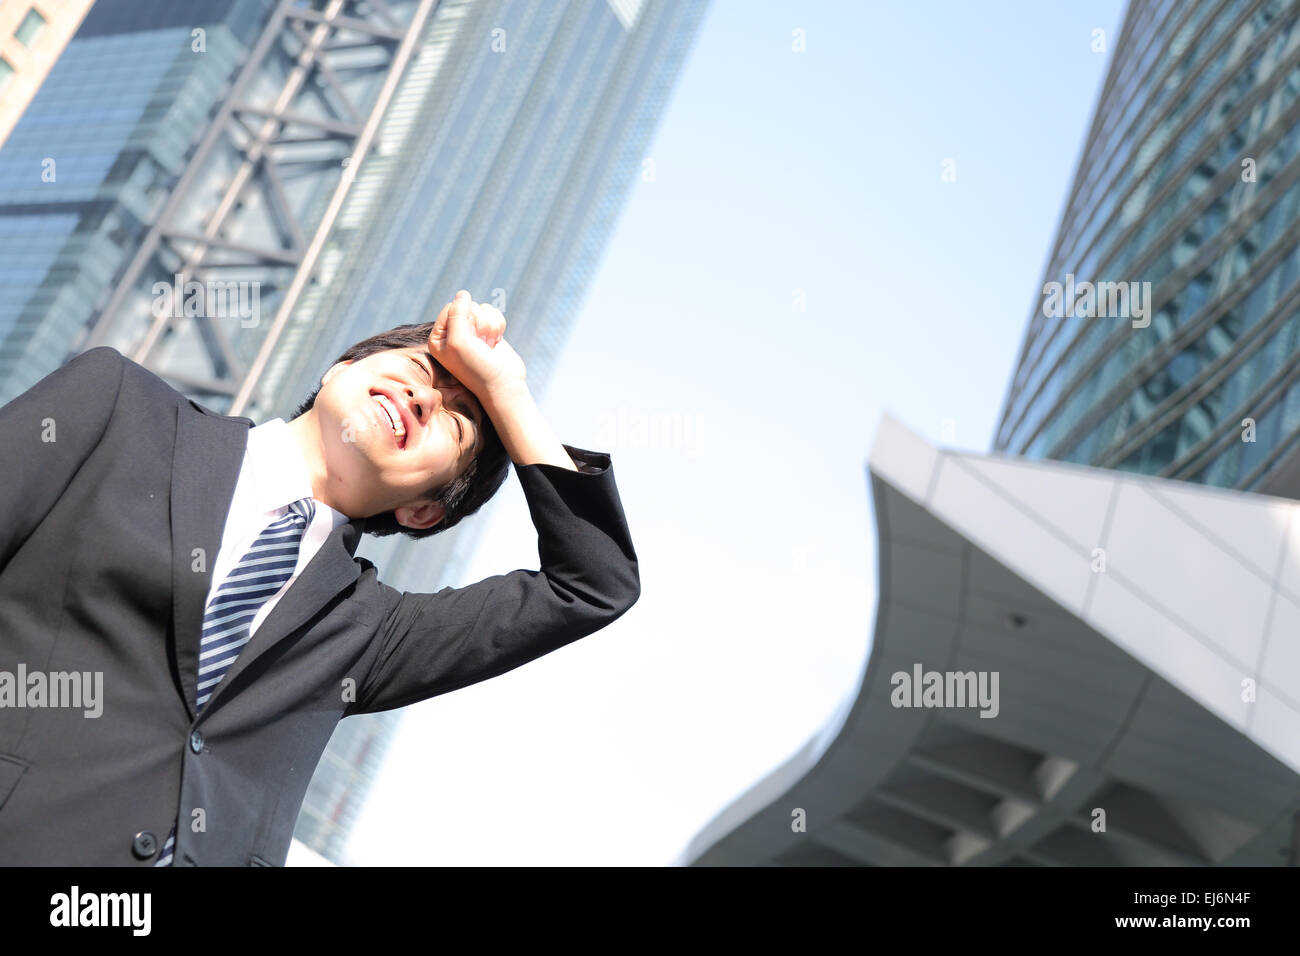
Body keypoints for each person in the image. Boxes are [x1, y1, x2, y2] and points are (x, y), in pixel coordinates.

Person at [0, 290, 639, 866]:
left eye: (455, 418)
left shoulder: (371, 634)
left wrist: (505, 389)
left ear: (424, 512)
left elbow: (590, 585)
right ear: (342, 368)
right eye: (422, 369)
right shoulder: (119, 410)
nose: (424, 396)